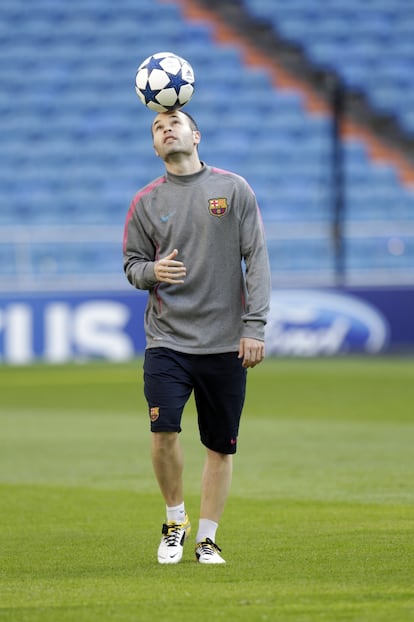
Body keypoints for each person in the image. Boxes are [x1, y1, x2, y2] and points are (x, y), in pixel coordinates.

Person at [123, 109, 271, 564]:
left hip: (226, 341)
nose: (166, 129)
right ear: (154, 146)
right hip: (167, 339)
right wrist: (152, 271)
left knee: (219, 446)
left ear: (196, 134)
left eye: (175, 123)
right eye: (157, 127)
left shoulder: (233, 189)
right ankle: (175, 519)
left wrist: (255, 325)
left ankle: (207, 537)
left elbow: (257, 258)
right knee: (163, 431)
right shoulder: (145, 201)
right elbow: (131, 265)